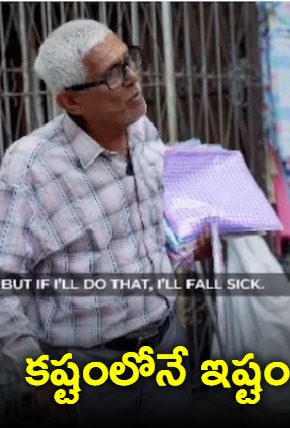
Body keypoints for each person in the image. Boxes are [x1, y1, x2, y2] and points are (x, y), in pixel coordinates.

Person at [0, 19, 210, 425]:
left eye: (128, 61)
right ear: (72, 102)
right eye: (112, 74)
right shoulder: (30, 168)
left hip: (166, 349)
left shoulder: (142, 131)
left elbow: (139, 232)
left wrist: (182, 248)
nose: (131, 78)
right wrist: (37, 375)